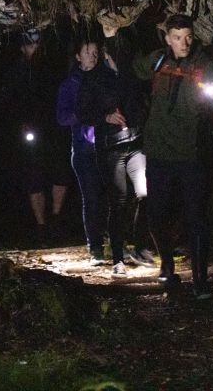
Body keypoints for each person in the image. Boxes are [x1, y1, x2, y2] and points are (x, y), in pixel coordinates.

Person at [110, 12, 213, 298]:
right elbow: (128, 67)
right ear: (168, 38)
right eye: (177, 38)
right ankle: (168, 267)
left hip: (191, 154)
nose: (184, 43)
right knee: (157, 214)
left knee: (197, 217)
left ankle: (200, 280)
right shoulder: (158, 60)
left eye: (188, 37)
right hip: (159, 152)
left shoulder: (203, 64)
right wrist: (112, 38)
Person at [75, 26, 156, 277]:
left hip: (135, 143)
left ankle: (141, 247)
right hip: (110, 148)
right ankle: (118, 258)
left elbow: (146, 100)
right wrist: (106, 116)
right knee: (118, 201)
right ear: (108, 55)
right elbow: (82, 112)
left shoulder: (132, 75)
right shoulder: (94, 78)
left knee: (145, 193)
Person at [0, 27, 70, 246]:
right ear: (23, 48)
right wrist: (19, 126)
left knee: (61, 174)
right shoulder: (17, 72)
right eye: (31, 45)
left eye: (38, 44)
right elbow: (8, 102)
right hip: (31, 132)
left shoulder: (52, 67)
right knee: (35, 179)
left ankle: (56, 219)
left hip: (55, 128)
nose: (35, 49)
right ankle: (41, 226)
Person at [56, 36, 106, 265]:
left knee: (114, 195)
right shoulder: (70, 85)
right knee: (92, 197)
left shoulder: (106, 77)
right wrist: (83, 114)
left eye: (95, 52)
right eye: (87, 52)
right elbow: (62, 117)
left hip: (107, 146)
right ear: (78, 56)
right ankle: (95, 245)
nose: (92, 57)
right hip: (84, 149)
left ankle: (115, 240)